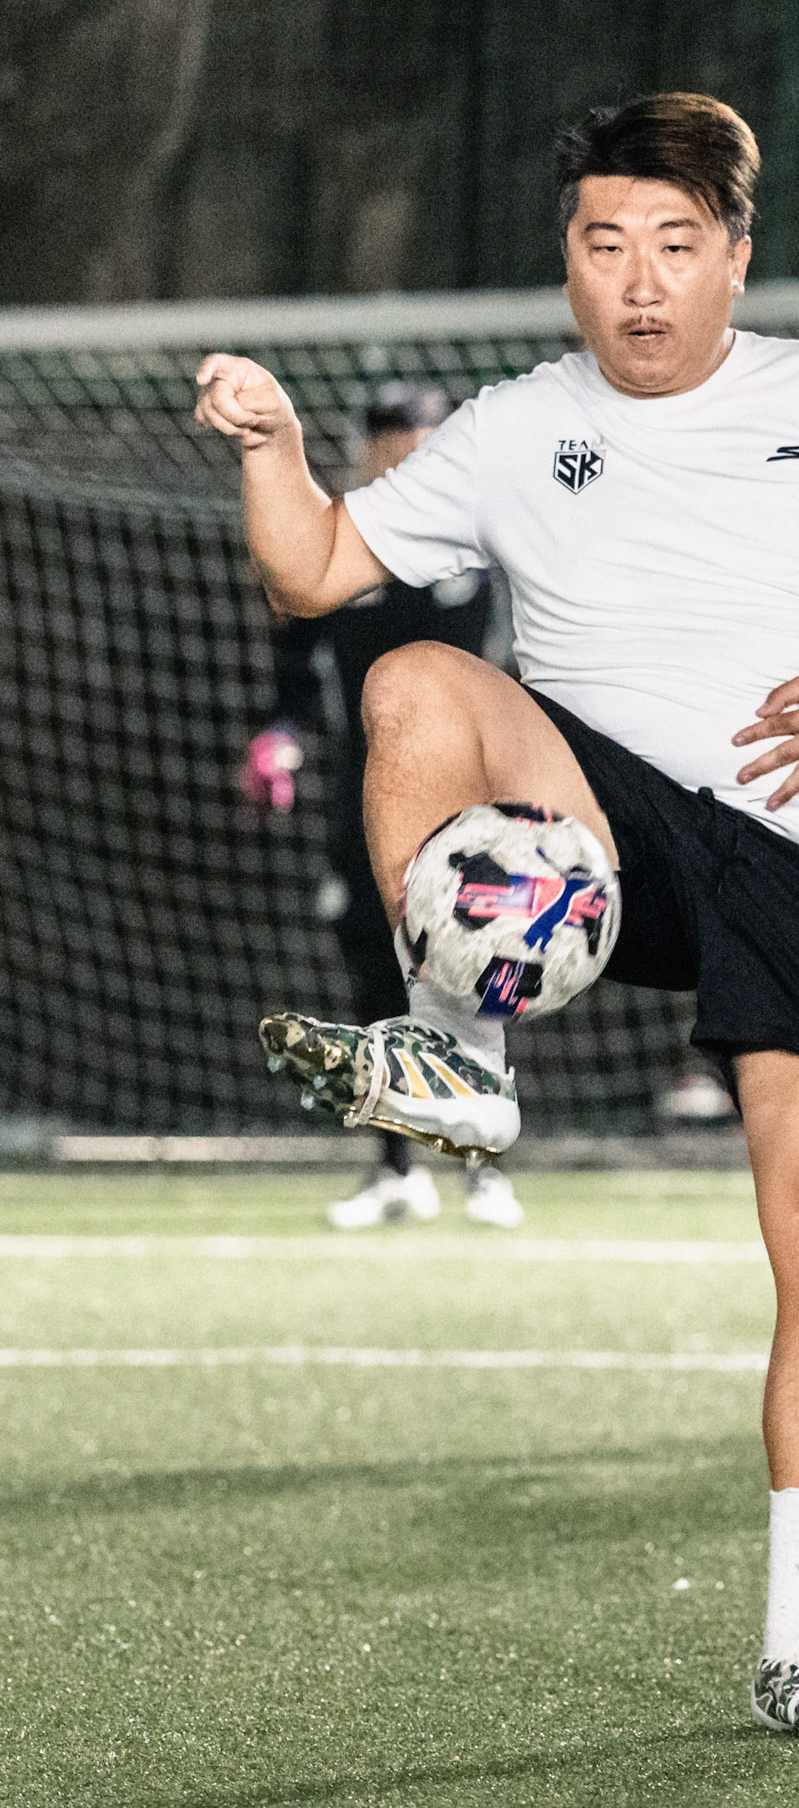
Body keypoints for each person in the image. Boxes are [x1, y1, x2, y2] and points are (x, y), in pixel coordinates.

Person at [194, 91, 799, 1739]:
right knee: (417, 674)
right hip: (604, 817)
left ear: (735, 257)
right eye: (606, 242)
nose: (639, 279)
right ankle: (459, 1054)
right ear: (567, 259)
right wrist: (274, 447)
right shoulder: (508, 423)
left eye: (676, 246)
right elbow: (317, 574)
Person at [240, 382, 523, 1231]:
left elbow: (525, 665)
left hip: (467, 803)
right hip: (361, 802)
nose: (402, 448)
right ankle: (397, 1167)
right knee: (373, 972)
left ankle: (483, 1167)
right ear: (364, 447)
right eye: (386, 435)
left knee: (474, 977)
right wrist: (279, 736)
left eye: (418, 433)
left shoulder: (484, 545)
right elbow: (296, 675)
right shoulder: (330, 545)